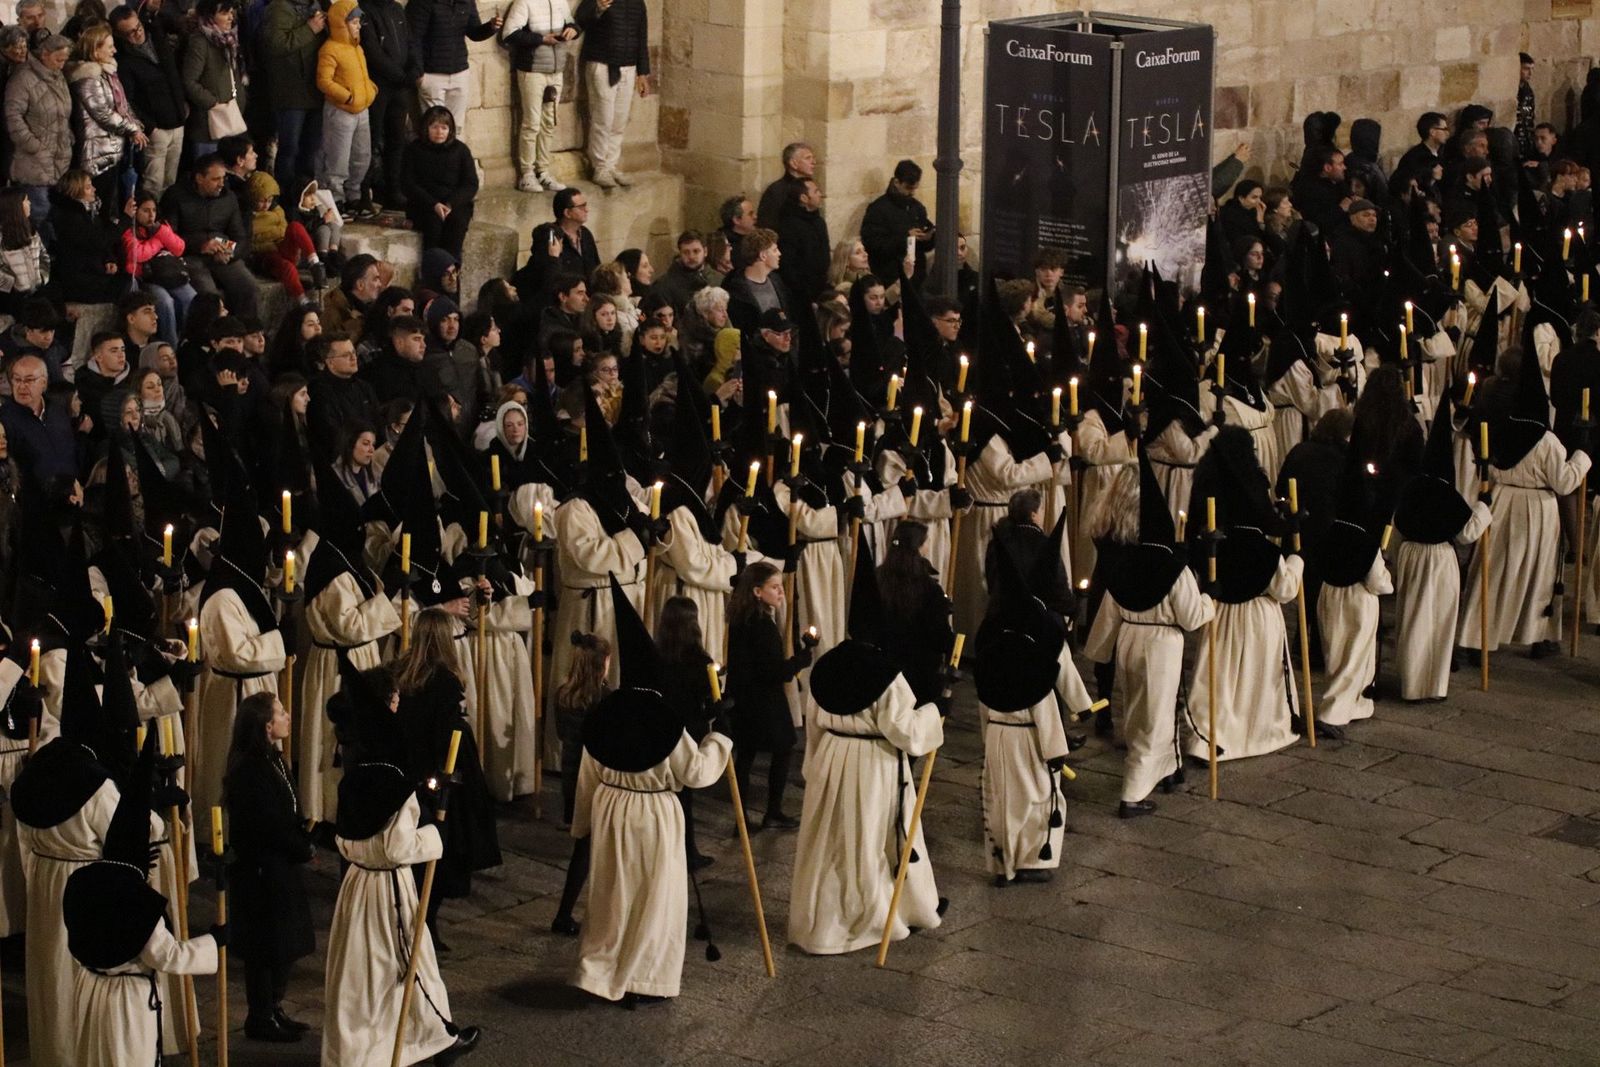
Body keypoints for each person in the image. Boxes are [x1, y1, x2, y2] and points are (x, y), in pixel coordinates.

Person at [569, 577, 731, 1003]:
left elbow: (589, 771)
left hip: (610, 809)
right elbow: (694, 772)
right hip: (654, 815)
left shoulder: (607, 712)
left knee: (611, 895)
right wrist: (721, 740)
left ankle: (600, 970)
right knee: (654, 897)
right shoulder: (665, 720)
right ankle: (644, 975)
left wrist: (583, 825)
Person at [321, 662, 481, 1066]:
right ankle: (401, 1046)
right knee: (403, 963)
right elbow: (396, 847)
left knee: (365, 973)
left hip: (358, 886)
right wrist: (434, 838)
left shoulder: (355, 767)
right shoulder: (391, 774)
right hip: (387, 888)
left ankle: (426, 1037)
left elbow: (343, 836)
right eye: (393, 699)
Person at [788, 546, 945, 954]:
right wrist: (934, 711)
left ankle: (821, 924)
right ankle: (877, 915)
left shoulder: (825, 665)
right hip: (874, 766)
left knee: (830, 844)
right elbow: (906, 731)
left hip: (831, 761)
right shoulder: (886, 674)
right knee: (871, 841)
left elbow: (815, 721)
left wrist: (814, 767)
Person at [62, 731, 221, 1066]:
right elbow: (166, 956)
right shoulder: (136, 898)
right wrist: (213, 941)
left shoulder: (81, 881)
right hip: (126, 1001)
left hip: (89, 991)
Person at [1084, 457, 1216, 817]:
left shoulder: (1116, 556)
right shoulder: (1168, 561)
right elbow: (1191, 617)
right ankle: (1133, 792)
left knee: (1139, 712)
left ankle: (1169, 768)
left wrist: (1100, 650)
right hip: (1160, 644)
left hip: (1128, 638)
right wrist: (1209, 598)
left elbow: (1109, 606)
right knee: (1153, 719)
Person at [392, 609, 502, 944]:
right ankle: (427, 920)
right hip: (439, 770)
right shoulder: (444, 680)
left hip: (407, 767)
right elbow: (443, 730)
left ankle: (416, 918)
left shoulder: (400, 673)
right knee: (441, 846)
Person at [223, 691, 315, 1043]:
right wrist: (300, 847)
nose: (288, 716)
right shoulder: (250, 769)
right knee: (266, 947)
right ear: (266, 725)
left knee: (282, 945)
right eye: (281, 712)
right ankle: (260, 1016)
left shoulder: (273, 759)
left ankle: (274, 1008)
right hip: (262, 870)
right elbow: (267, 823)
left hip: (280, 864)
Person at [1395, 397, 1493, 702]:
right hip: (1439, 560)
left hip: (1411, 556)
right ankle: (1433, 686)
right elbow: (1466, 534)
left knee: (1412, 619)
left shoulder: (1410, 488)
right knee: (1438, 621)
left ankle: (1410, 682)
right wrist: (1484, 508)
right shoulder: (1446, 493)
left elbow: (1396, 527)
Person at [726, 561, 812, 830]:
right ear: (757, 591)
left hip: (745, 698)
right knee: (784, 748)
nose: (781, 593)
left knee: (747, 755)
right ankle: (771, 811)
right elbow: (774, 671)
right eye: (775, 587)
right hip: (764, 700)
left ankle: (743, 818)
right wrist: (801, 659)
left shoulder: (741, 619)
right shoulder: (761, 625)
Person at [159, 152, 259, 319]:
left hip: (223, 255)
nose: (221, 184)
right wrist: (201, 245)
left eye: (223, 178)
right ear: (199, 178)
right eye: (215, 179)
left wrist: (229, 251)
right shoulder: (176, 196)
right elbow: (168, 237)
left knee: (248, 287)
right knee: (210, 297)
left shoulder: (229, 197)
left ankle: (243, 335)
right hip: (190, 256)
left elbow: (241, 237)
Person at [67, 24, 146, 211]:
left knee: (116, 203)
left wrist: (137, 126)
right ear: (95, 50)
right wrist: (132, 129)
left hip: (114, 148)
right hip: (98, 153)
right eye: (110, 47)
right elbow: (103, 113)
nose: (115, 50)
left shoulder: (108, 74)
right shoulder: (88, 78)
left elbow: (123, 106)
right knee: (103, 204)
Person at [499, 0, 575, 192]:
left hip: (556, 70)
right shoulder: (524, 3)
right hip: (532, 70)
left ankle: (543, 171)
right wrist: (541, 39)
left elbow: (571, 23)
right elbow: (509, 34)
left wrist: (573, 30)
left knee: (549, 123)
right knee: (531, 123)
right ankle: (527, 174)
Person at [110, 4, 185, 194]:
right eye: (130, 33)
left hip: (177, 119)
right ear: (120, 36)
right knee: (153, 183)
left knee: (171, 180)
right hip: (157, 129)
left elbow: (173, 74)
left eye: (138, 27)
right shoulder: (125, 62)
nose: (138, 34)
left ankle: (166, 221)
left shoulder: (157, 36)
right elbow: (128, 101)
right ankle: (151, 219)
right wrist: (150, 127)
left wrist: (183, 106)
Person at [4, 33, 73, 241]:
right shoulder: (23, 78)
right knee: (38, 211)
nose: (62, 65)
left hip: (58, 156)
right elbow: (12, 116)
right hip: (32, 160)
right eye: (58, 60)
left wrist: (68, 137)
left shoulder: (57, 75)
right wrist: (34, 146)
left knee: (55, 213)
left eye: (64, 60)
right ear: (44, 54)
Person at [573, 0, 648, 189]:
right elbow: (580, 21)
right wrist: (597, 8)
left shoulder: (638, 3)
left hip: (628, 66)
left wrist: (643, 73)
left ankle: (611, 164)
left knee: (619, 120)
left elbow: (641, 38)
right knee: (603, 119)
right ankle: (599, 167)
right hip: (602, 63)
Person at [316, 0, 376, 213]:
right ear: (342, 23)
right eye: (354, 22)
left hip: (362, 110)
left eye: (359, 22)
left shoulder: (356, 48)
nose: (358, 26)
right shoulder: (330, 49)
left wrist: (370, 89)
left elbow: (362, 75)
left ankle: (354, 196)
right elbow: (324, 80)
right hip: (341, 111)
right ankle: (336, 199)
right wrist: (347, 97)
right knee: (337, 159)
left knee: (361, 157)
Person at [358, 0, 418, 208]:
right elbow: (372, 51)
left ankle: (393, 191)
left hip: (400, 88)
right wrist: (402, 76)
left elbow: (410, 43)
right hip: (377, 86)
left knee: (397, 140)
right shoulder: (364, 9)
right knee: (370, 141)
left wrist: (414, 69)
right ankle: (362, 193)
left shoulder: (396, 9)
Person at [406, 0, 500, 131]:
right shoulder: (422, 3)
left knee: (456, 128)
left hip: (459, 72)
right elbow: (413, 39)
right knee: (435, 129)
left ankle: (455, 151)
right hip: (432, 74)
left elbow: (473, 31)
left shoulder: (466, 2)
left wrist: (490, 27)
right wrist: (419, 75)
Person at [261, 0, 326, 190]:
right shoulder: (279, 7)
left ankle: (306, 198)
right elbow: (275, 44)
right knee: (290, 148)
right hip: (291, 92)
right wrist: (310, 29)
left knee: (312, 149)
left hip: (316, 89)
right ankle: (287, 196)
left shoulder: (319, 5)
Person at [399, 104, 477, 259]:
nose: (439, 132)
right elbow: (408, 184)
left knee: (456, 226)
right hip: (423, 204)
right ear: (426, 128)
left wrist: (450, 204)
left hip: (453, 204)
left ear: (450, 130)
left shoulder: (460, 150)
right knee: (433, 226)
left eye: (444, 128)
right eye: (434, 127)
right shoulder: (414, 149)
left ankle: (451, 275)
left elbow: (470, 183)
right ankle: (431, 275)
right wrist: (433, 204)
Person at [121, 195, 195, 344]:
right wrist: (158, 242)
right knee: (166, 302)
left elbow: (179, 248)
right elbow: (137, 255)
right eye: (145, 210)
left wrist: (161, 232)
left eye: (153, 210)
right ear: (135, 211)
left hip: (170, 275)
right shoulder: (128, 229)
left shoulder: (160, 227)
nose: (151, 215)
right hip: (148, 279)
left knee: (191, 297)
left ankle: (188, 341)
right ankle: (170, 345)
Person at [180, 0, 246, 159]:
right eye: (224, 13)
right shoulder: (200, 42)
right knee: (208, 170)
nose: (230, 17)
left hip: (231, 117)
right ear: (210, 16)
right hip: (208, 123)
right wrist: (213, 103)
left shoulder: (230, 40)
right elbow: (189, 81)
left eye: (231, 12)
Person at [861, 158, 932, 289]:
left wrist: (929, 238)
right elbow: (872, 244)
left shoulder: (917, 208)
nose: (912, 192)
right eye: (908, 188)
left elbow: (924, 244)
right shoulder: (877, 209)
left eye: (914, 188)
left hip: (916, 279)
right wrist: (906, 237)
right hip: (890, 278)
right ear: (896, 182)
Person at [756, 140, 815, 230]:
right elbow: (766, 226)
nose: (813, 162)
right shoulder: (776, 191)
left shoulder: (812, 187)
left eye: (812, 158)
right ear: (793, 163)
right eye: (808, 158)